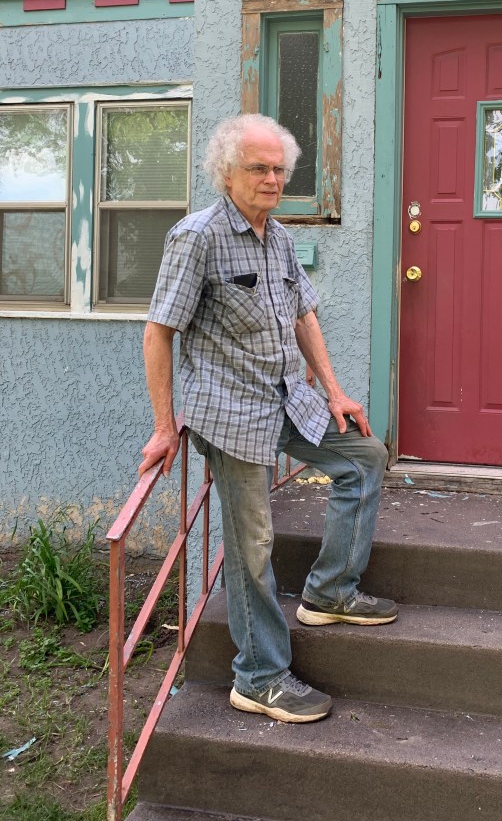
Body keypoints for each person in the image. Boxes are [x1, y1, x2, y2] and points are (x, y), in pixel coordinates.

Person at [139, 113, 395, 724]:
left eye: (279, 169)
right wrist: (165, 426)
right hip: (229, 413)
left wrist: (335, 392)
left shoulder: (277, 236)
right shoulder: (197, 237)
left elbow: (304, 315)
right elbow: (158, 332)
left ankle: (330, 591)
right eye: (259, 168)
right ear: (226, 174)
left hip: (283, 400)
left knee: (364, 457)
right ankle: (259, 676)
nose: (273, 179)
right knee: (253, 544)